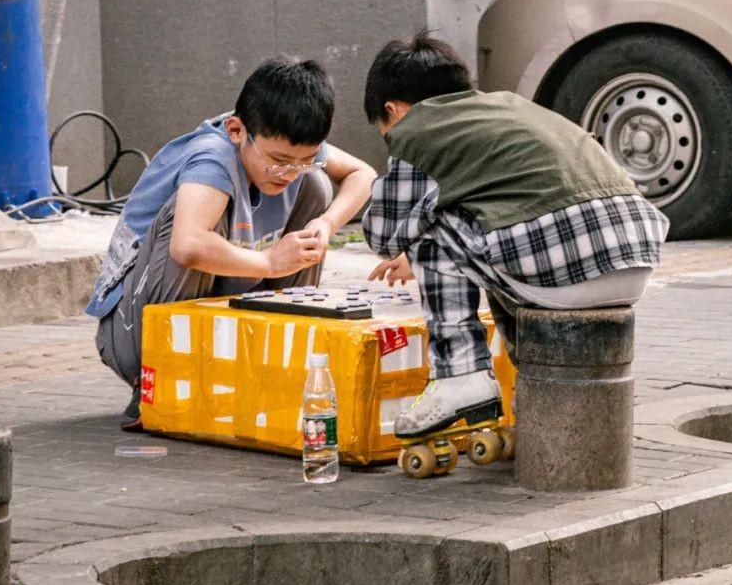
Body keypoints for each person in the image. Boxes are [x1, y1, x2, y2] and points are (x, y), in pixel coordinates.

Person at [362, 32, 667, 440]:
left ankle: (461, 376)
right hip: (633, 255)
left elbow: (383, 233)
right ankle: (532, 390)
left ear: (393, 110)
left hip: (570, 267)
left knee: (430, 230)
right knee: (491, 231)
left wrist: (416, 232)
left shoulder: (420, 129)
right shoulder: (508, 107)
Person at [89, 57, 376, 429]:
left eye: (303, 159)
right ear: (237, 130)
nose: (287, 173)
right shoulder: (212, 155)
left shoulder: (292, 156)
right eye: (277, 161)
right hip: (131, 335)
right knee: (187, 218)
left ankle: (271, 371)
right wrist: (273, 262)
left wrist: (326, 222)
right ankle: (161, 381)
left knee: (318, 185)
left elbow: (363, 174)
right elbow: (187, 246)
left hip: (218, 315)